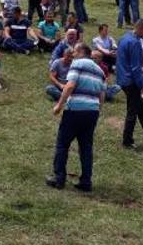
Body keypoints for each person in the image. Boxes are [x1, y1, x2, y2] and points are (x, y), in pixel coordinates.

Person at [46, 43, 106, 192]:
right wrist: (98, 109)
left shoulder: (77, 64)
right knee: (86, 148)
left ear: (80, 52)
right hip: (92, 112)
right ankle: (86, 181)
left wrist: (59, 105)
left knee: (62, 144)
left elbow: (70, 85)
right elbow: (102, 94)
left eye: (74, 52)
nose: (72, 54)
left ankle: (59, 178)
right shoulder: (100, 70)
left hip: (75, 110)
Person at [116, 19, 143, 148]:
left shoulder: (124, 38)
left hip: (122, 78)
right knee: (132, 111)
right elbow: (135, 68)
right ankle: (127, 141)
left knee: (140, 109)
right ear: (139, 28)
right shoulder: (135, 43)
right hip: (131, 81)